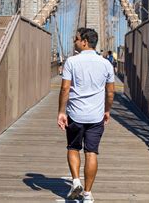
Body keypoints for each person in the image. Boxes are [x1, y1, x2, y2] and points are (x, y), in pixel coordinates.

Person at [57, 28, 115, 203]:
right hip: (96, 116)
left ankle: (76, 182)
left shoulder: (72, 62)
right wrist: (107, 110)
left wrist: (61, 111)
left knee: (73, 148)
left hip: (75, 114)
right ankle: (88, 195)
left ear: (84, 42)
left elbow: (65, 88)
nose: (74, 41)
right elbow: (111, 92)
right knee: (92, 153)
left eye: (76, 39)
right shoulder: (106, 63)